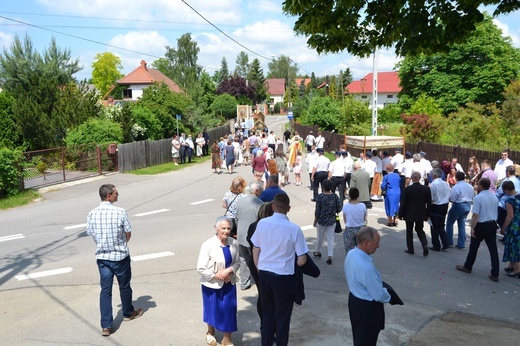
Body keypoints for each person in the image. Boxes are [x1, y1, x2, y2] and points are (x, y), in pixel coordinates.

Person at [252, 193, 309, 346]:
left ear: (272, 206)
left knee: (268, 314)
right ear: (288, 208)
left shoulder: (262, 224)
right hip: (284, 276)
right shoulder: (294, 229)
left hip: (264, 274)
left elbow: (255, 249)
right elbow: (302, 260)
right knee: (282, 318)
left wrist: (259, 269)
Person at [86, 184, 143, 337]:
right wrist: (122, 244)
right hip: (120, 257)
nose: (118, 195)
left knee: (105, 290)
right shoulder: (120, 212)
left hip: (103, 257)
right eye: (116, 193)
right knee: (124, 286)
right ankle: (127, 313)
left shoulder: (92, 213)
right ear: (109, 196)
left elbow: (92, 233)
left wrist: (103, 244)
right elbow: (128, 232)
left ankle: (106, 326)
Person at [197, 216, 240, 346]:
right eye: (223, 228)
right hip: (211, 284)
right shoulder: (208, 244)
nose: (226, 231)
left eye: (228, 228)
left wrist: (229, 271)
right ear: (216, 228)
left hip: (229, 283)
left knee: (229, 310)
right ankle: (210, 332)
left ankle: (227, 339)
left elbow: (237, 262)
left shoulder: (234, 243)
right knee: (212, 309)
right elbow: (200, 267)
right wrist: (217, 275)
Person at [344, 226, 391, 346]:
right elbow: (379, 295)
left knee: (359, 338)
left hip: (355, 301)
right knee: (367, 341)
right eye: (376, 243)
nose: (378, 246)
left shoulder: (352, 253)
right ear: (366, 243)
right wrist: (389, 295)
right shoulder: (366, 268)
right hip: (367, 309)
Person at [455, 178, 500, 282]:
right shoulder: (494, 197)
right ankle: (495, 273)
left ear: (481, 186)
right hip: (492, 223)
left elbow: (475, 215)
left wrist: (472, 228)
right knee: (493, 250)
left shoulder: (478, 198)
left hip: (481, 225)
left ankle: (468, 266)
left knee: (474, 247)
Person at [246, 202, 275, 327]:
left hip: (254, 261)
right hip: (266, 263)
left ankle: (264, 323)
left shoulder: (253, 225)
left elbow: (249, 241)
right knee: (270, 296)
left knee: (262, 294)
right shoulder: (271, 226)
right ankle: (269, 324)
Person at [235, 181, 264, 291]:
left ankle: (244, 282)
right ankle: (259, 281)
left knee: (243, 259)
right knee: (257, 259)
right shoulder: (260, 203)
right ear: (257, 190)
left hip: (241, 234)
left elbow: (237, 218)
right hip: (253, 237)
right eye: (261, 190)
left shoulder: (240, 201)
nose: (262, 192)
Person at [398, 171, 432, 256]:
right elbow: (429, 203)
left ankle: (410, 248)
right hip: (421, 212)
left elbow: (403, 203)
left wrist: (400, 214)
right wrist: (428, 214)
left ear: (412, 178)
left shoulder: (407, 190)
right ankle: (425, 244)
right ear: (420, 178)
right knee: (420, 229)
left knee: (409, 230)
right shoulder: (426, 189)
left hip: (409, 213)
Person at [313, 179, 343, 265]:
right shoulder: (334, 196)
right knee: (330, 238)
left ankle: (318, 251)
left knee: (320, 237)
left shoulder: (320, 197)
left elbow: (317, 210)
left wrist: (315, 220)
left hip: (321, 220)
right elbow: (339, 208)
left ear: (322, 187)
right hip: (332, 220)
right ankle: (330, 255)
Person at [446, 171, 474, 249]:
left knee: (450, 223)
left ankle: (449, 241)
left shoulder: (456, 187)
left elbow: (452, 199)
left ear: (456, 178)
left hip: (459, 205)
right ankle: (461, 243)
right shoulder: (470, 186)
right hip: (468, 204)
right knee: (462, 224)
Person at [499, 181, 520, 277]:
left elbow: (510, 216)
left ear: (507, 189)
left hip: (514, 226)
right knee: (517, 246)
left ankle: (517, 269)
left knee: (513, 246)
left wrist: (503, 227)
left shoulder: (510, 201)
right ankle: (511, 265)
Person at [429, 168, 451, 251]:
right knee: (441, 225)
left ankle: (436, 245)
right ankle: (445, 242)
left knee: (434, 226)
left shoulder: (433, 185)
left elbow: (431, 198)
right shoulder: (446, 184)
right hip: (444, 206)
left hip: (436, 206)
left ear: (434, 175)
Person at [342, 188, 367, 253]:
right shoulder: (363, 205)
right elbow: (364, 218)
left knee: (349, 250)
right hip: (360, 228)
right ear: (358, 195)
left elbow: (345, 220)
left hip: (350, 228)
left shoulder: (346, 206)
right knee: (361, 250)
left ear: (349, 195)